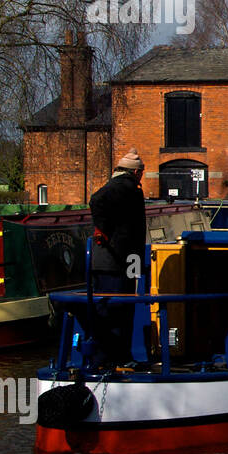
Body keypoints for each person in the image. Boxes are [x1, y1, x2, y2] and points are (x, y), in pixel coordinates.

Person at [88, 149, 147, 366]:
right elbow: (97, 200)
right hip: (119, 261)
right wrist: (103, 231)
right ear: (136, 172)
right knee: (119, 309)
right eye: (141, 173)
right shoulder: (126, 186)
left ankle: (109, 357)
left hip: (114, 260)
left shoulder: (120, 185)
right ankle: (116, 358)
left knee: (109, 308)